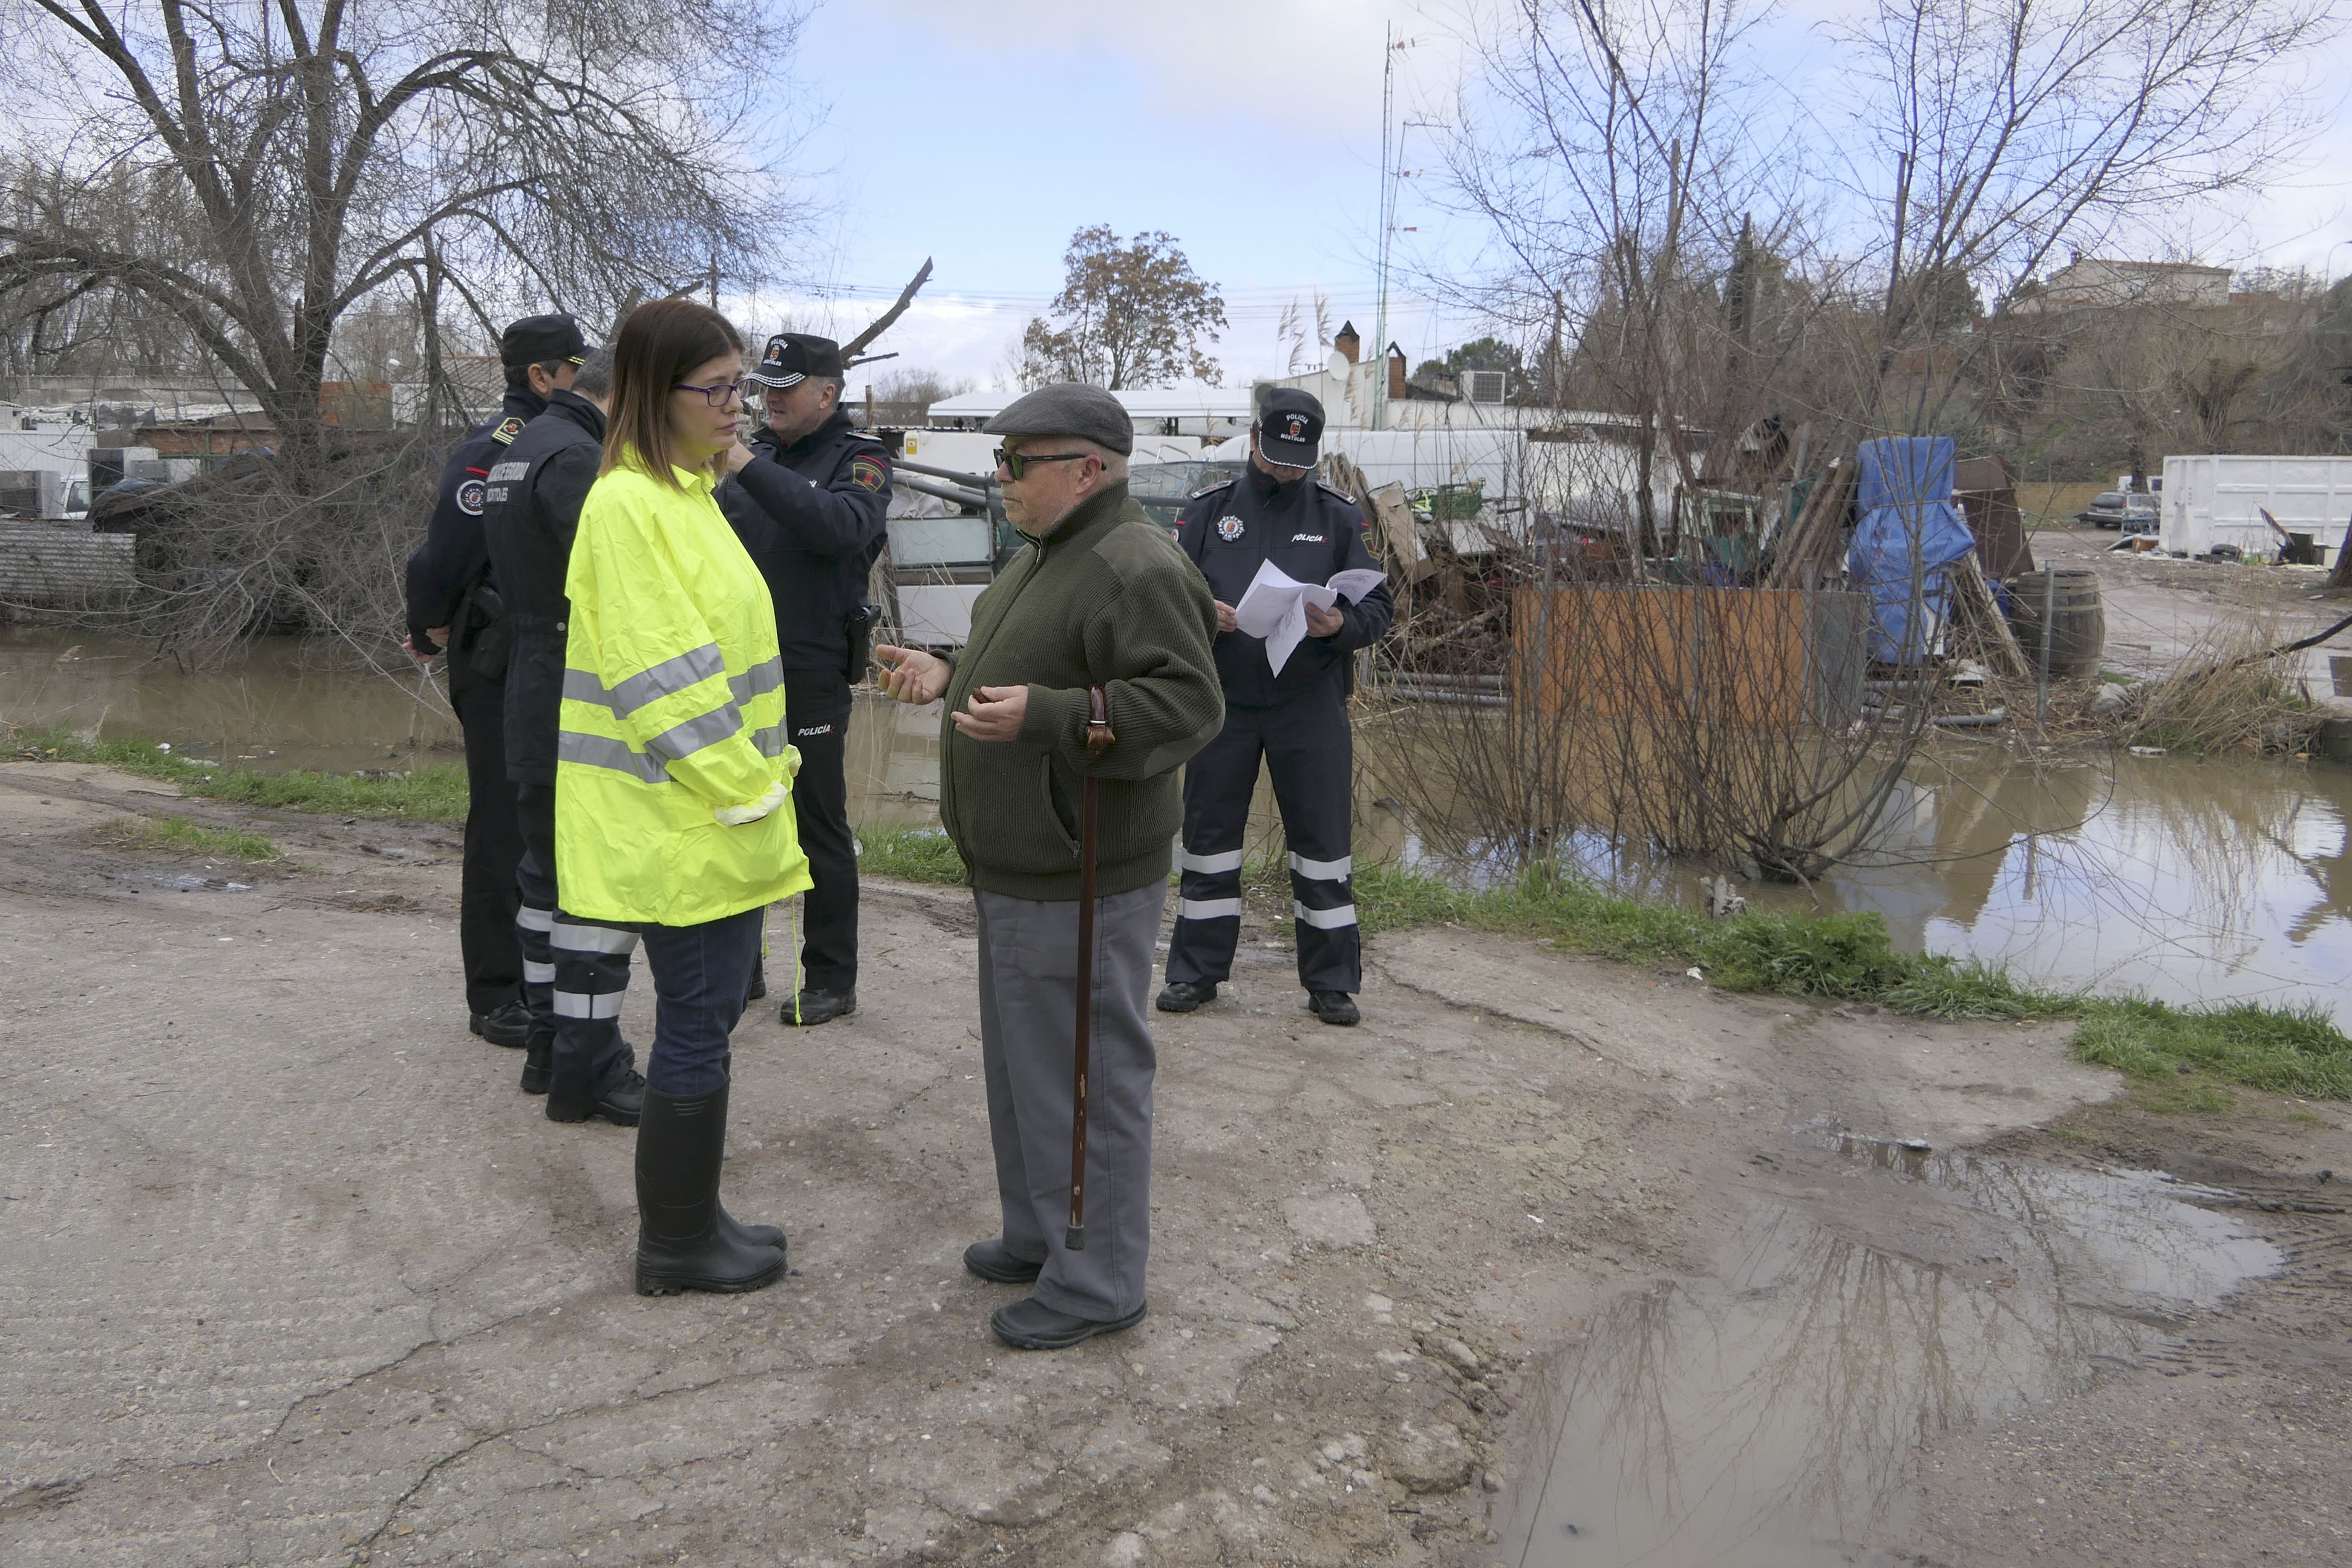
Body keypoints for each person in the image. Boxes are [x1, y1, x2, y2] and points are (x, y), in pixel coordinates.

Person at [873, 383, 1221, 1351]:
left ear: (1088, 469)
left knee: (1087, 1079)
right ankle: (1042, 1235)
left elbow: (1191, 707)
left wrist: (1056, 720)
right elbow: (1042, 665)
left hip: (1084, 872)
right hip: (1021, 864)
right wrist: (952, 674)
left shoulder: (1131, 563)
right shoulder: (1050, 554)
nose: (1001, 478)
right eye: (1001, 460)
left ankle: (1100, 1279)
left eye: (1017, 463)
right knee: (1027, 1066)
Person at [559, 297, 811, 1294]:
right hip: (685, 820)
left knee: (705, 1022)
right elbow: (662, 682)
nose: (737, 407)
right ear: (654, 395)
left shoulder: (684, 494)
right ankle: (673, 1242)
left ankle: (694, 1215)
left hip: (707, 814)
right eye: (718, 390)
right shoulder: (627, 505)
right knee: (697, 1025)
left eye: (742, 386)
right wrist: (753, 793)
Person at [1157, 387, 1394, 1027]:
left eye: (1301, 456)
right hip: (1223, 703)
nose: (1289, 467)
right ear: (1255, 439)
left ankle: (1331, 982)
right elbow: (1163, 597)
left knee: (1322, 846)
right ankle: (1195, 972)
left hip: (1308, 705)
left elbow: (1378, 610)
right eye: (1278, 452)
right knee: (1208, 843)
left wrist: (1336, 625)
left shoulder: (1343, 518)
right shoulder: (1207, 514)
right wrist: (1201, 611)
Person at [403, 314, 591, 1050]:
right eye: (577, 371)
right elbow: (440, 552)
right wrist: (430, 624)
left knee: (547, 826)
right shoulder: (499, 448)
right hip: (495, 656)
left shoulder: (571, 446)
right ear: (543, 377)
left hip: (551, 657)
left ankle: (546, 980)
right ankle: (496, 992)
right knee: (503, 826)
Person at [480, 347, 654, 1123]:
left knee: (545, 882)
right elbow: (617, 586)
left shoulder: (522, 446)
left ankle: (550, 1047)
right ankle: (591, 1066)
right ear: (621, 393)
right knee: (591, 891)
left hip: (530, 682)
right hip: (575, 694)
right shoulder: (582, 460)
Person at [716, 333, 893, 1027]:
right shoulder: (752, 455)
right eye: (764, 387)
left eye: (785, 388)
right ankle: (741, 966)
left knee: (817, 823)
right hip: (735, 671)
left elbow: (839, 529)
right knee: (737, 814)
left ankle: (829, 977)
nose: (770, 399)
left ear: (828, 392)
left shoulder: (862, 460)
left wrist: (741, 466)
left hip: (811, 668)